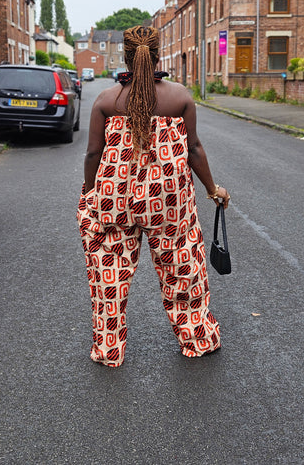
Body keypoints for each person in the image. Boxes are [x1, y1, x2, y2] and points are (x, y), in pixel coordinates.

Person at [77, 25, 230, 367]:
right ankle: (198, 339)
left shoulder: (105, 101)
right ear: (158, 55)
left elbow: (92, 155)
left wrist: (90, 192)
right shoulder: (180, 98)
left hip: (115, 199)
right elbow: (193, 149)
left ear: (126, 58)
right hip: (169, 203)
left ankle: (108, 349)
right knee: (182, 271)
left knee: (109, 275)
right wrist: (212, 189)